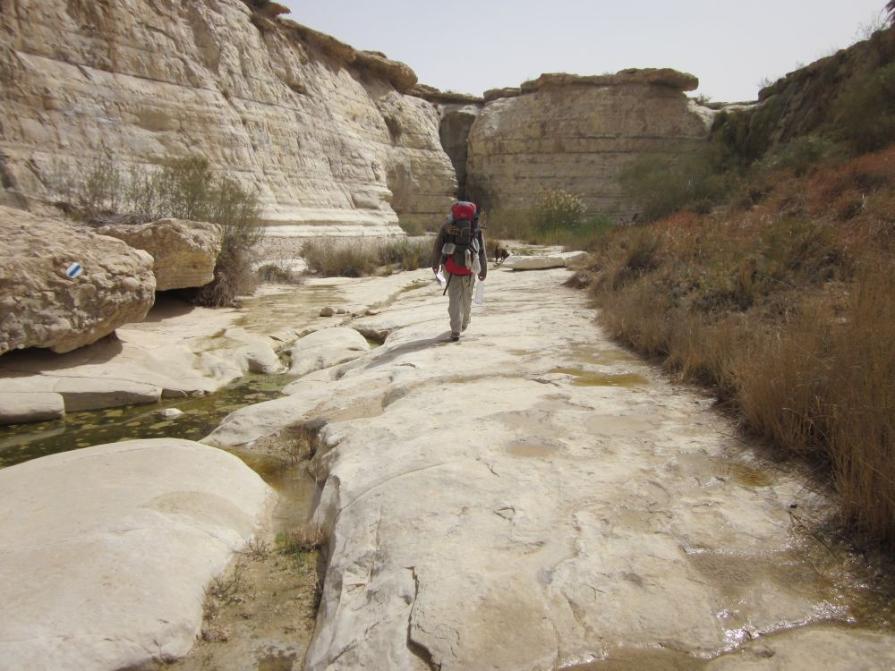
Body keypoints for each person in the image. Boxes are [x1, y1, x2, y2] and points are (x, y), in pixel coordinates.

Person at [432, 201, 488, 342]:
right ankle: (464, 322)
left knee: (454, 300)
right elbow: (481, 252)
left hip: (451, 269)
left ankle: (455, 330)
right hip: (470, 270)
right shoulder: (476, 230)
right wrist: (483, 270)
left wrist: (435, 264)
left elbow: (438, 245)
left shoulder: (447, 227)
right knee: (466, 298)